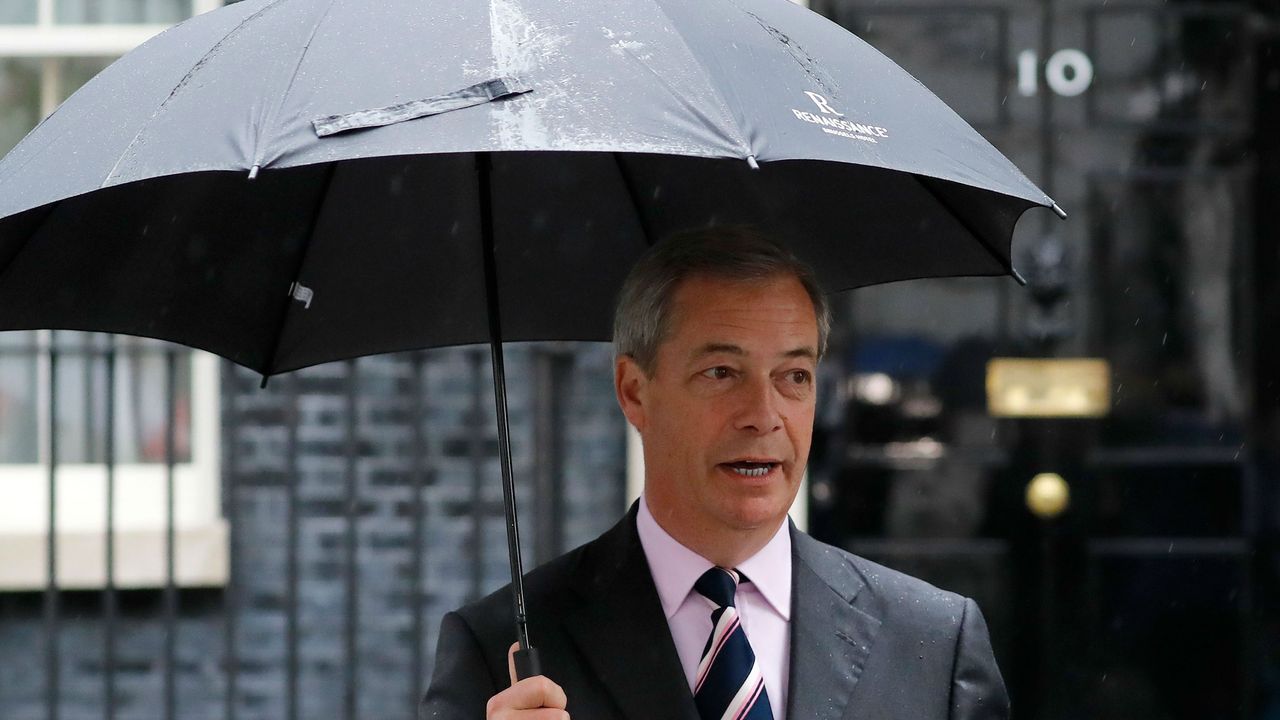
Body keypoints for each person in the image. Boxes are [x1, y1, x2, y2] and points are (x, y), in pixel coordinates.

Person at [420, 228, 1008, 720]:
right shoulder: (502, 651)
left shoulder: (934, 644)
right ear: (633, 391)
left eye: (794, 376)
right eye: (722, 372)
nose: (763, 416)